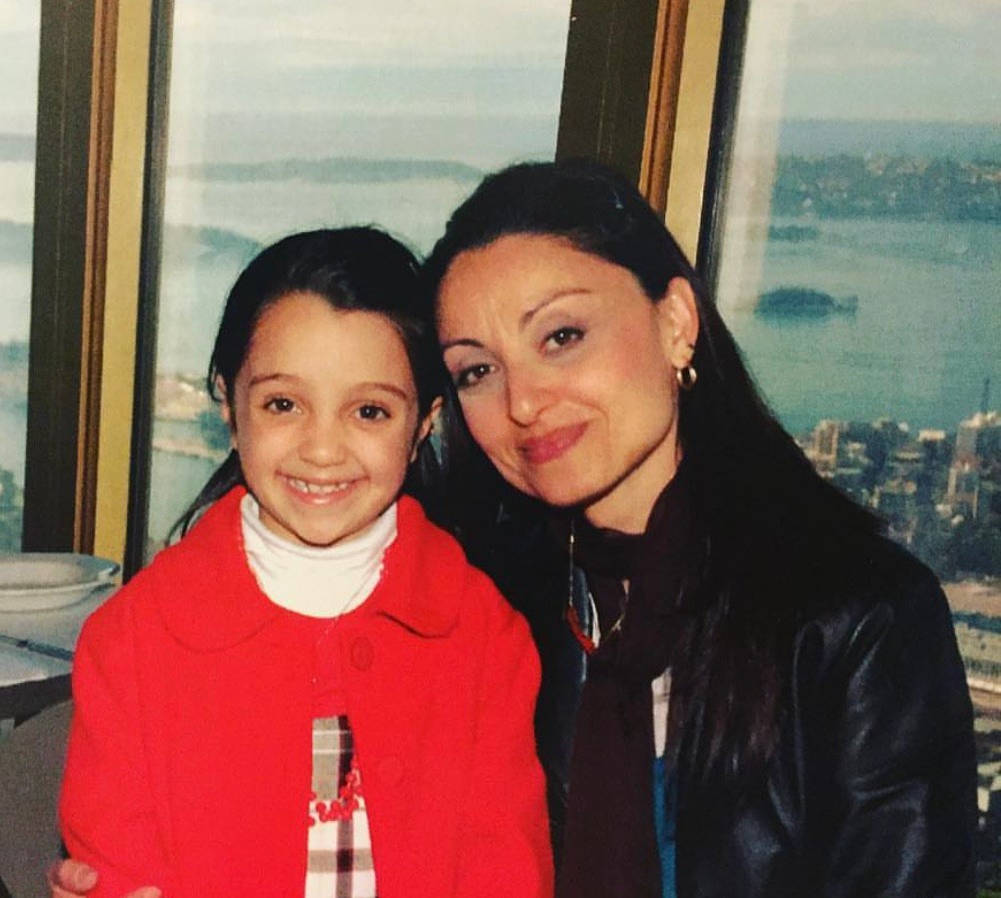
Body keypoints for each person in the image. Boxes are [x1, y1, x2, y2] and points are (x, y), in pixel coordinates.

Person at [422, 160, 977, 897]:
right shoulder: (496, 604)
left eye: (561, 336)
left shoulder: (857, 621)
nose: (522, 402)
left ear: (676, 323)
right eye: (476, 372)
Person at [55, 227, 553, 898]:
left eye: (370, 411)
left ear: (424, 425)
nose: (323, 450)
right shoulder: (132, 641)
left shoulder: (486, 637)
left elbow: (507, 878)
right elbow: (118, 867)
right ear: (230, 408)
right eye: (283, 404)